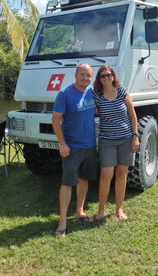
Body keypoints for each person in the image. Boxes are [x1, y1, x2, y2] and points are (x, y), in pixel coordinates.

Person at [52, 63, 97, 237]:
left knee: (84, 178)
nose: (85, 78)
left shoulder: (91, 92)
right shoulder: (65, 93)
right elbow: (56, 120)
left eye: (88, 76)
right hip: (72, 146)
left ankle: (79, 210)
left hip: (90, 144)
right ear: (76, 75)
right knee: (67, 182)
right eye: (82, 75)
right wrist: (62, 144)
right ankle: (62, 221)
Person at [92, 65, 139, 221]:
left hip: (126, 138)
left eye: (109, 74)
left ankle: (119, 209)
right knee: (106, 175)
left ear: (113, 76)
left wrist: (135, 136)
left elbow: (133, 116)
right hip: (107, 140)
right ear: (99, 79)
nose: (106, 77)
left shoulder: (122, 92)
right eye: (103, 76)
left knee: (121, 174)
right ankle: (101, 210)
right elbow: (85, 109)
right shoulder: (96, 95)